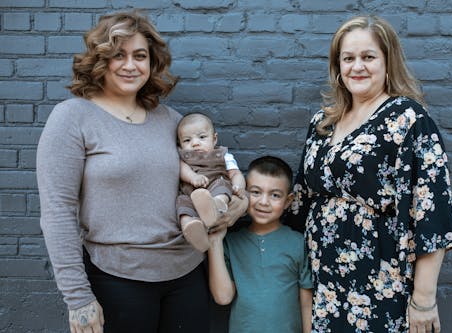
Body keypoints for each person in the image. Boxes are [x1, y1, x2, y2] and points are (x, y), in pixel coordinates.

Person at [36, 11, 247, 333]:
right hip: (117, 279)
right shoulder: (72, 118)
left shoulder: (170, 120)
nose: (130, 65)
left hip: (187, 275)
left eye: (140, 55)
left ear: (153, 62)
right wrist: (77, 298)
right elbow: (57, 211)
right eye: (118, 55)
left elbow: (212, 172)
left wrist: (234, 205)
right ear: (99, 59)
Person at [286, 15, 452, 333]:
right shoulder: (322, 123)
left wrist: (424, 300)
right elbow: (301, 201)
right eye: (348, 58)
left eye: (368, 57)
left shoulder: (407, 119)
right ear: (337, 66)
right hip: (324, 281)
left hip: (381, 281)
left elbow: (432, 214)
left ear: (387, 61)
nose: (357, 67)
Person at [208, 156, 313, 333]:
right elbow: (223, 297)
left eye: (275, 195)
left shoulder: (298, 243)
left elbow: (306, 304)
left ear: (288, 201)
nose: (264, 202)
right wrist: (215, 241)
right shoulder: (232, 242)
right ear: (244, 194)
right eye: (256, 192)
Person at [176, 112, 246, 252]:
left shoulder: (223, 155)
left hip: (215, 186)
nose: (195, 143)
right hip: (190, 193)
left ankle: (215, 205)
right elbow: (182, 169)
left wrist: (239, 186)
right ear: (180, 144)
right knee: (182, 204)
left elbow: (235, 173)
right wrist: (193, 178)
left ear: (214, 139)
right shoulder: (183, 157)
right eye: (187, 140)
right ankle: (191, 229)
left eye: (202, 137)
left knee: (223, 185)